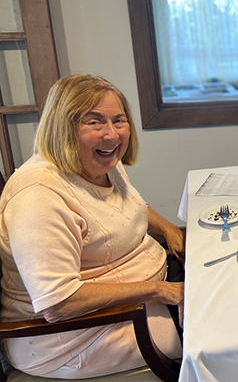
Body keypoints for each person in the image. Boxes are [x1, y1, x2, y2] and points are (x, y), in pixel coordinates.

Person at [0, 74, 184, 378]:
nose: (111, 135)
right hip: (78, 337)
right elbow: (58, 303)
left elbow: (128, 209)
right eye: (94, 122)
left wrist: (170, 230)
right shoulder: (38, 196)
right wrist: (160, 291)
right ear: (64, 127)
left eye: (118, 120)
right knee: (225, 326)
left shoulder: (101, 163)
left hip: (144, 289)